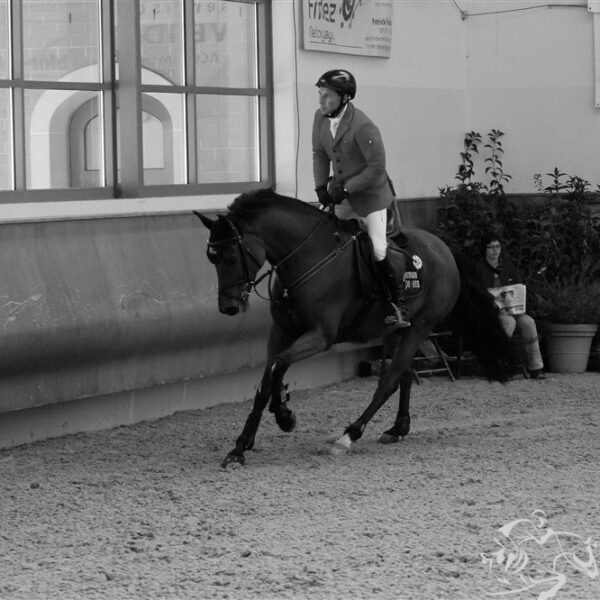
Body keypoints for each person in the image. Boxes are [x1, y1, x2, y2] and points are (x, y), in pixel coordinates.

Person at [311, 69, 410, 329]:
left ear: (344, 98)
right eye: (320, 94)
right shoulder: (320, 118)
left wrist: (347, 189)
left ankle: (396, 304)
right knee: (322, 237)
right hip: (341, 195)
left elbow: (376, 169)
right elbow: (319, 154)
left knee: (378, 248)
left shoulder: (363, 126)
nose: (321, 101)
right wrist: (320, 186)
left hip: (371, 198)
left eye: (327, 96)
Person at [474, 231, 546, 379]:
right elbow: (477, 294)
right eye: (491, 247)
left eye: (497, 246)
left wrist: (517, 303)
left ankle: (536, 367)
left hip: (513, 310)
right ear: (484, 249)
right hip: (491, 313)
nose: (495, 250)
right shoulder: (479, 269)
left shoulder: (508, 267)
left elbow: (518, 288)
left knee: (528, 322)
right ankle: (501, 366)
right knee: (508, 322)